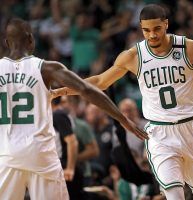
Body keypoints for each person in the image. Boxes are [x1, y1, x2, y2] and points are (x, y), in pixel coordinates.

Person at [53, 4, 193, 200]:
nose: (152, 35)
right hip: (160, 133)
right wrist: (66, 89)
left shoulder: (189, 47)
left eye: (156, 29)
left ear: (166, 24)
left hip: (192, 129)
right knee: (174, 194)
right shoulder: (133, 56)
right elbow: (100, 81)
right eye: (146, 30)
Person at [0, 18, 147, 200]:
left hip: (6, 154)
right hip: (40, 154)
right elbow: (87, 90)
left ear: (6, 42)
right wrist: (122, 119)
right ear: (31, 39)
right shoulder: (47, 68)